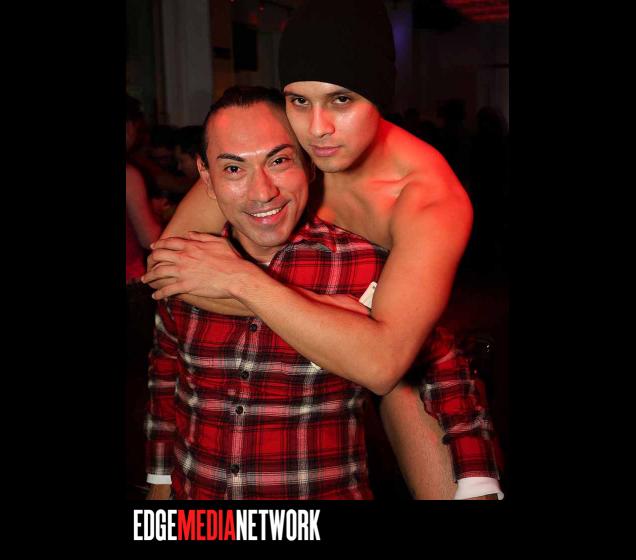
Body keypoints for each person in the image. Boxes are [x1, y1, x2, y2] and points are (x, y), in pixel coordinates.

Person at [144, 0, 502, 500]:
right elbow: (168, 270)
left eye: (341, 100)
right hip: (345, 328)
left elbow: (386, 361)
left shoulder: (428, 198)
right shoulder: (275, 147)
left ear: (379, 97)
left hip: (405, 356)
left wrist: (244, 281)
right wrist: (339, 314)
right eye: (299, 100)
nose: (317, 129)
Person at [146, 87, 400, 499]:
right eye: (233, 169)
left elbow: (438, 379)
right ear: (206, 178)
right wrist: (159, 486)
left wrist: (476, 484)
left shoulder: (365, 264)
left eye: (279, 161)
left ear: (309, 164)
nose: (262, 192)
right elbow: (165, 380)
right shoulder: (186, 263)